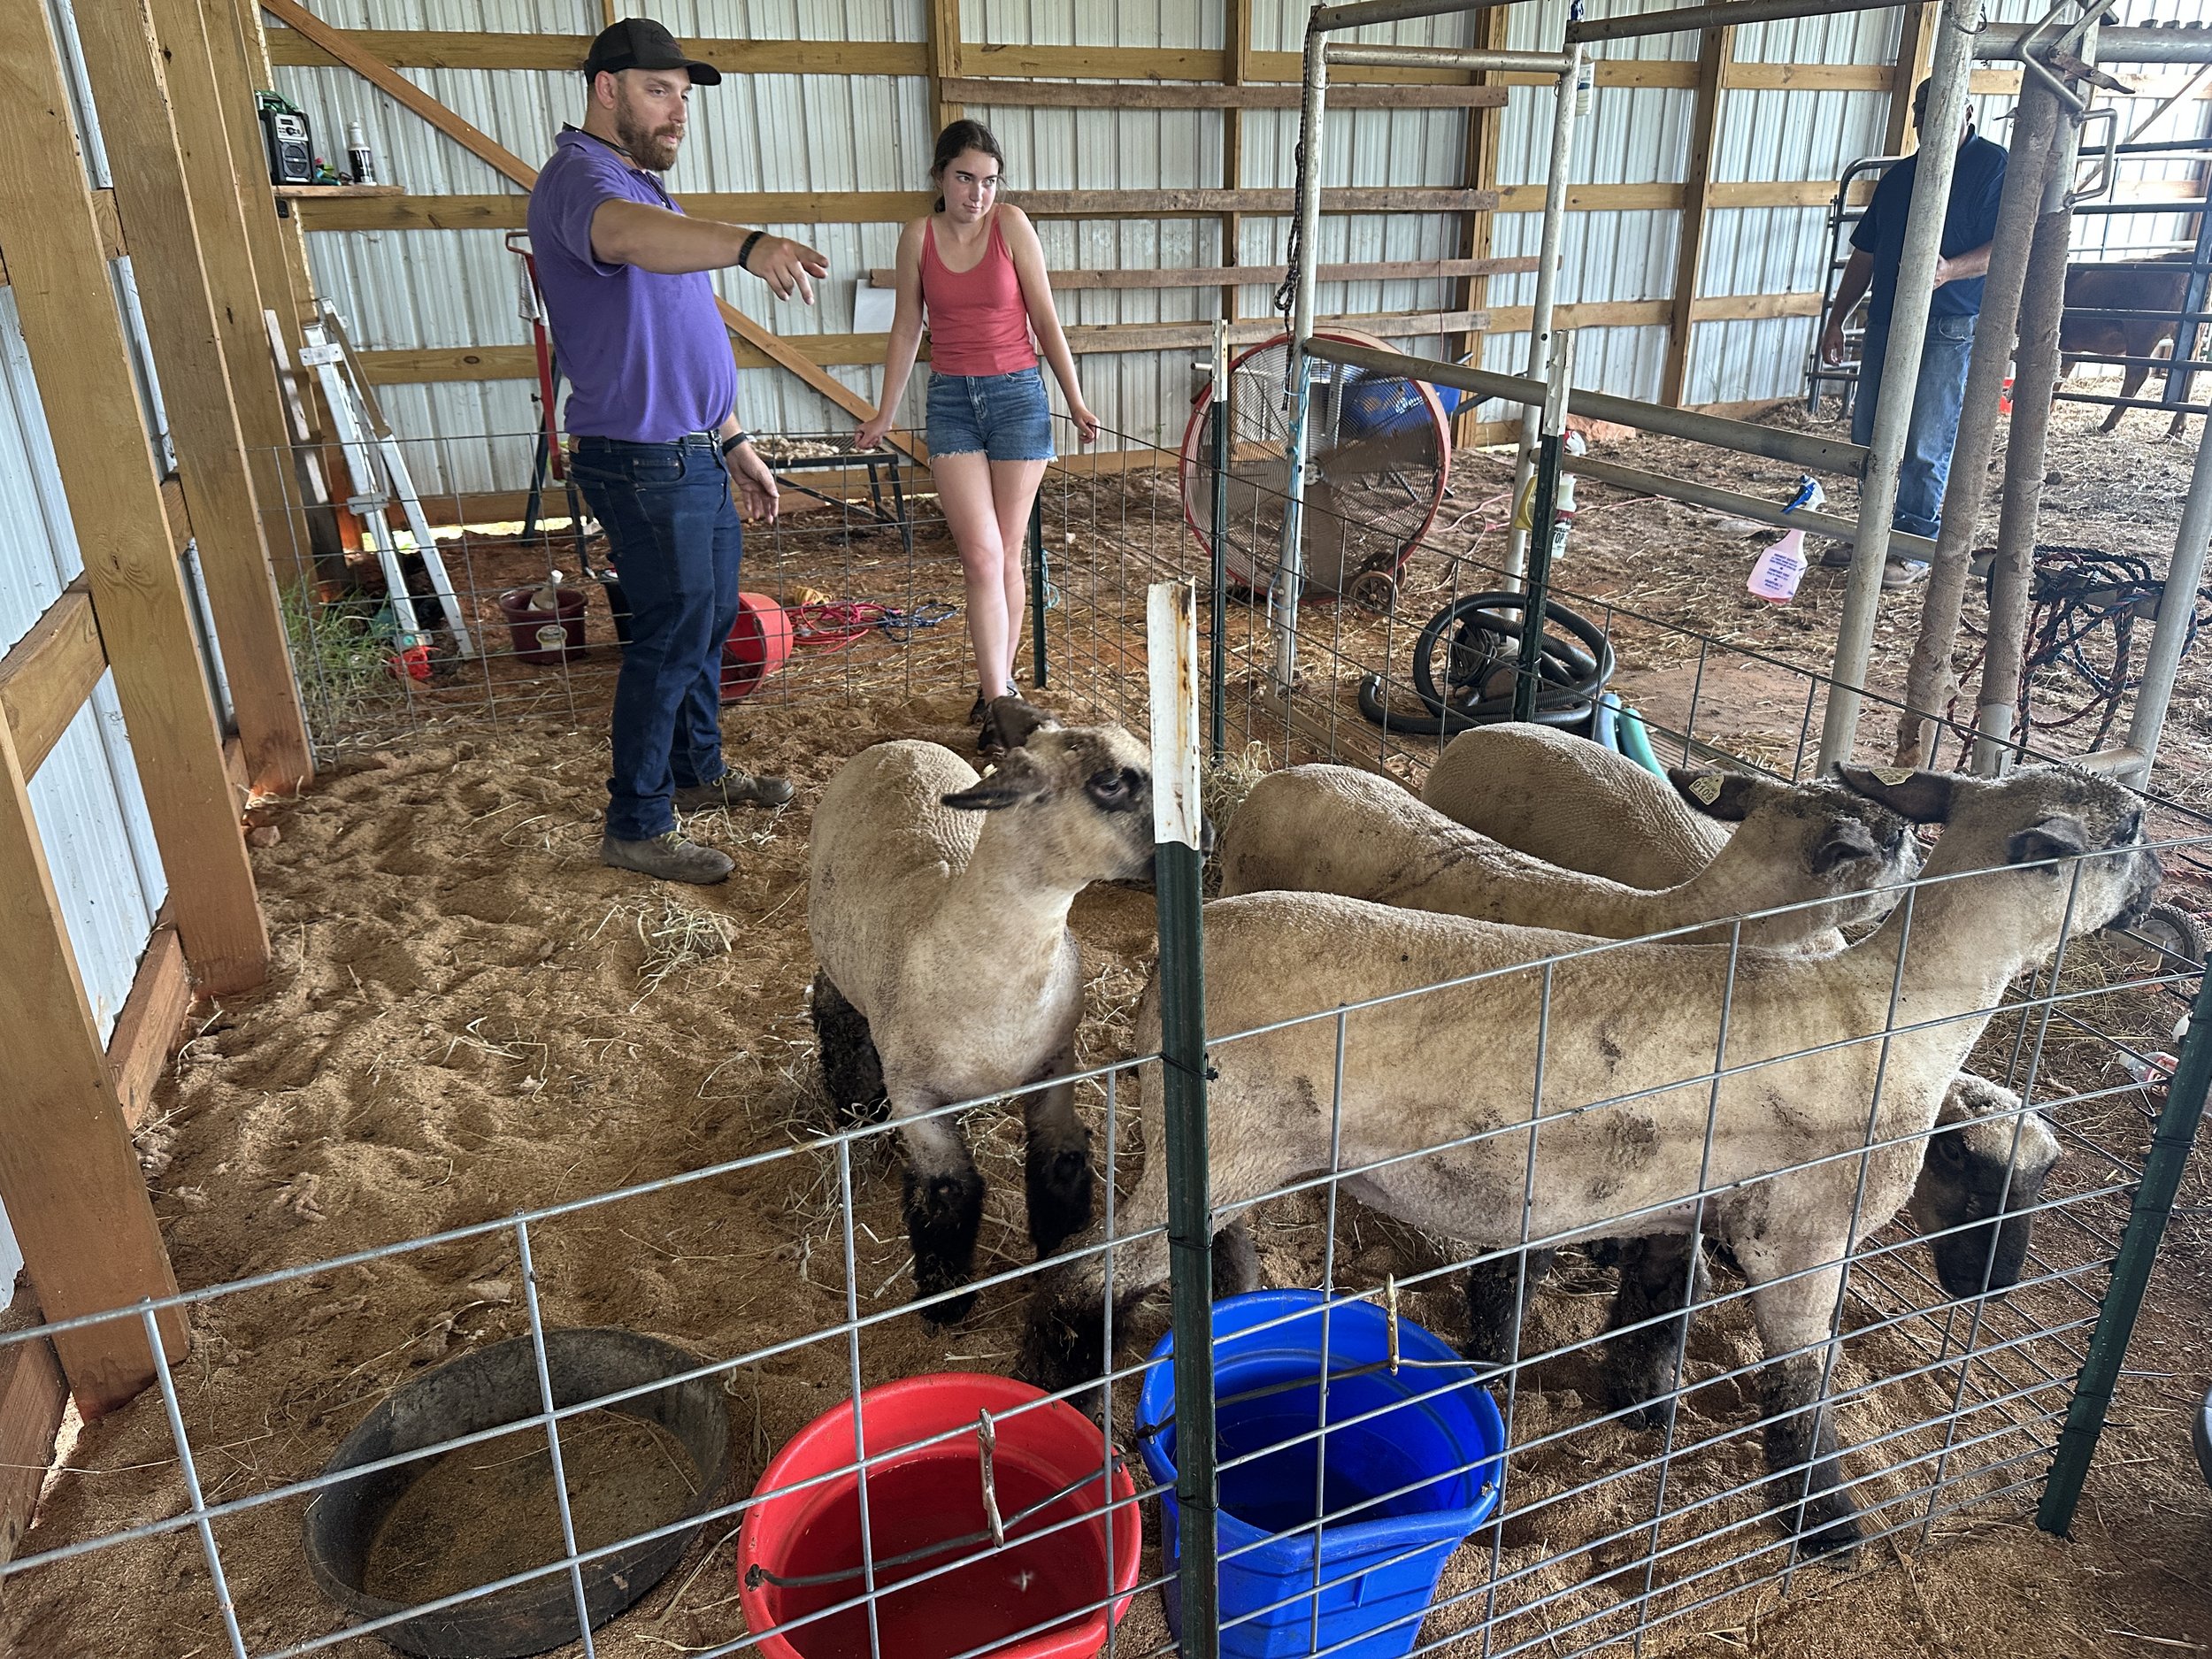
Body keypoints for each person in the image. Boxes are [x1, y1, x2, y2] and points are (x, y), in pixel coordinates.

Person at [526, 19, 829, 884]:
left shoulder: (643, 187)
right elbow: (620, 238)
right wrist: (748, 245)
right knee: (671, 632)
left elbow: (673, 331)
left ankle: (696, 774)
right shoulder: (581, 180)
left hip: (689, 446)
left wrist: (732, 439)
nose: (677, 112)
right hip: (640, 454)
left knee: (701, 617)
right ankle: (637, 820)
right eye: (660, 91)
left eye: (684, 97)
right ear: (606, 87)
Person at [856, 120, 1101, 756]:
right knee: (981, 556)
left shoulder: (1012, 227)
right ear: (940, 176)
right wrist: (885, 410)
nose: (978, 193)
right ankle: (1000, 700)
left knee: (1008, 550)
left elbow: (1044, 317)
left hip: (1018, 396)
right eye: (965, 178)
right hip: (952, 401)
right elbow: (909, 324)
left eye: (989, 181)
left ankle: (999, 690)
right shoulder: (919, 236)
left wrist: (1073, 399)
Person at [1818, 78, 2006, 589]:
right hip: (1888, 319)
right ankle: (1872, 532)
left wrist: (1949, 269)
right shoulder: (1900, 177)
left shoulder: (1995, 167)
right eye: (1923, 112)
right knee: (1870, 433)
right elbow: (1867, 254)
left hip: (1949, 319)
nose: (1929, 122)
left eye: (1940, 111)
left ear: (1967, 113)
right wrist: (1837, 318)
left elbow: (2011, 244)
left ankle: (1911, 545)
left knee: (1926, 437)